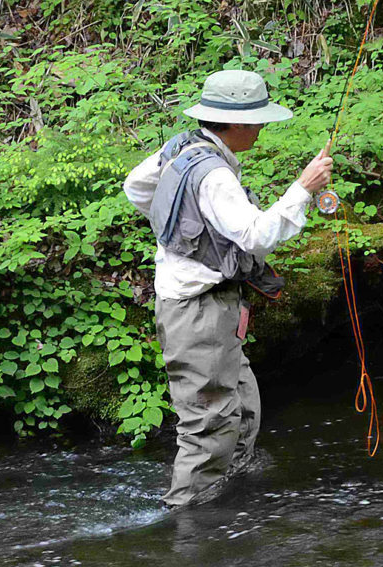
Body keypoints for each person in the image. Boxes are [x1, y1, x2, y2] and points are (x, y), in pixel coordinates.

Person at [123, 70, 334, 508]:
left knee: (242, 403)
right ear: (234, 123)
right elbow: (256, 235)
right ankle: (185, 517)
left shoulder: (182, 146)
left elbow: (137, 187)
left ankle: (232, 491)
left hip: (210, 306)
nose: (261, 129)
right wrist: (303, 188)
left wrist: (183, 228)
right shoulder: (215, 176)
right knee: (209, 421)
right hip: (196, 312)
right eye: (257, 120)